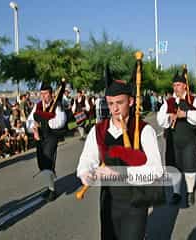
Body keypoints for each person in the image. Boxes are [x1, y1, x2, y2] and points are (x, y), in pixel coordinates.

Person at [76, 76, 163, 240]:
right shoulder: (99, 130)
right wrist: (86, 173)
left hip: (135, 201)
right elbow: (87, 159)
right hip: (108, 201)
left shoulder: (144, 130)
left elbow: (156, 171)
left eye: (119, 103)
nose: (114, 109)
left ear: (130, 102)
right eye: (110, 104)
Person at [157, 69, 196, 206]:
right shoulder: (169, 102)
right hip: (172, 141)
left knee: (189, 167)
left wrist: (185, 115)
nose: (176, 88)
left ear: (185, 86)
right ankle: (176, 193)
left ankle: (190, 192)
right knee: (174, 168)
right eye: (174, 85)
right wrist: (169, 117)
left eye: (178, 85)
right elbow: (160, 119)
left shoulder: (194, 101)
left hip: (189, 141)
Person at [26, 82, 66, 202]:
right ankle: (49, 187)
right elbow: (29, 120)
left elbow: (61, 121)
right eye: (41, 94)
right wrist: (33, 126)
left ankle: (52, 191)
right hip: (40, 138)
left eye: (46, 94)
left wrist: (45, 122)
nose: (43, 96)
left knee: (48, 160)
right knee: (42, 163)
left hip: (51, 137)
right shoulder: (37, 106)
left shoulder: (57, 105)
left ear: (51, 94)